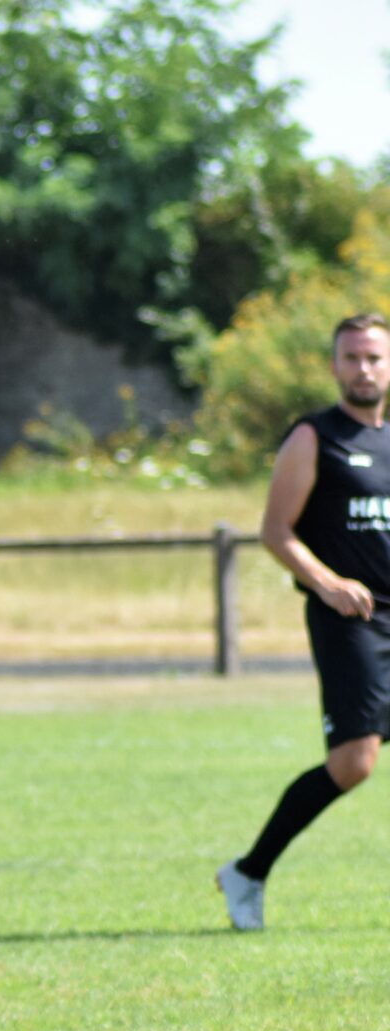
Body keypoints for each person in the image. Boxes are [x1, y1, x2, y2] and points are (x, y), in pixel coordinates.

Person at [217, 312, 390, 930]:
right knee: (353, 764)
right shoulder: (314, 437)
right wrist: (328, 583)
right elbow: (275, 531)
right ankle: (248, 872)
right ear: (334, 366)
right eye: (352, 357)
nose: (364, 369)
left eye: (374, 357)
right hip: (351, 621)